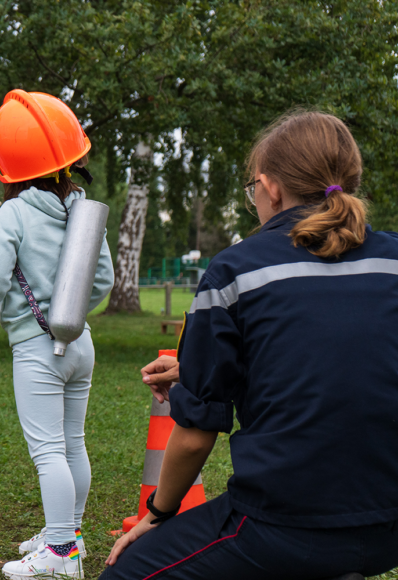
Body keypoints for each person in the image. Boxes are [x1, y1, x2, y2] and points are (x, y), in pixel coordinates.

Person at [101, 110, 398, 579]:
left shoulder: (235, 271)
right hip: (387, 528)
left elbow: (196, 435)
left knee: (127, 572)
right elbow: (346, 356)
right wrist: (198, 370)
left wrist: (155, 514)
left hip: (284, 525)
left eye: (251, 190)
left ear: (270, 187)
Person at [0, 89, 114, 580]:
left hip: (36, 348)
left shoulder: (14, 213)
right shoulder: (83, 209)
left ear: (6, 166)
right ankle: (69, 536)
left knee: (48, 450)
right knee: (73, 442)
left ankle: (59, 554)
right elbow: (103, 281)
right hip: (82, 344)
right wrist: (70, 311)